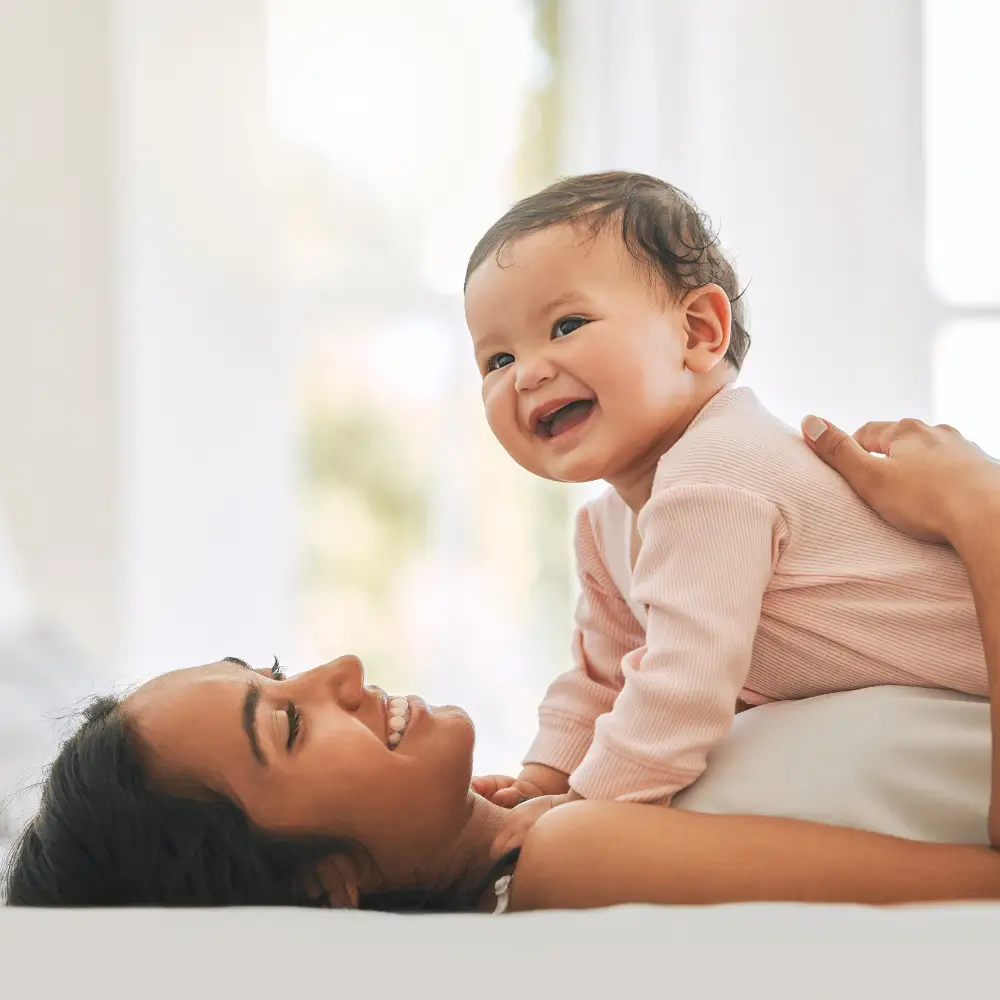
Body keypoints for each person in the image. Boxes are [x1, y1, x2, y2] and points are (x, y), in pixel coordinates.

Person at [3, 416, 1000, 911]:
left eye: (280, 670)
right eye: (291, 723)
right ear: (325, 886)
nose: (342, 668)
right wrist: (977, 513)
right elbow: (983, 887)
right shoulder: (563, 858)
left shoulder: (585, 794)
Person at [463, 172, 988, 852]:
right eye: (497, 358)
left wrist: (585, 808)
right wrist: (543, 777)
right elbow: (604, 674)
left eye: (567, 325)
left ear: (698, 331)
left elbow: (682, 688)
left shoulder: (716, 472)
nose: (527, 372)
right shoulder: (608, 526)